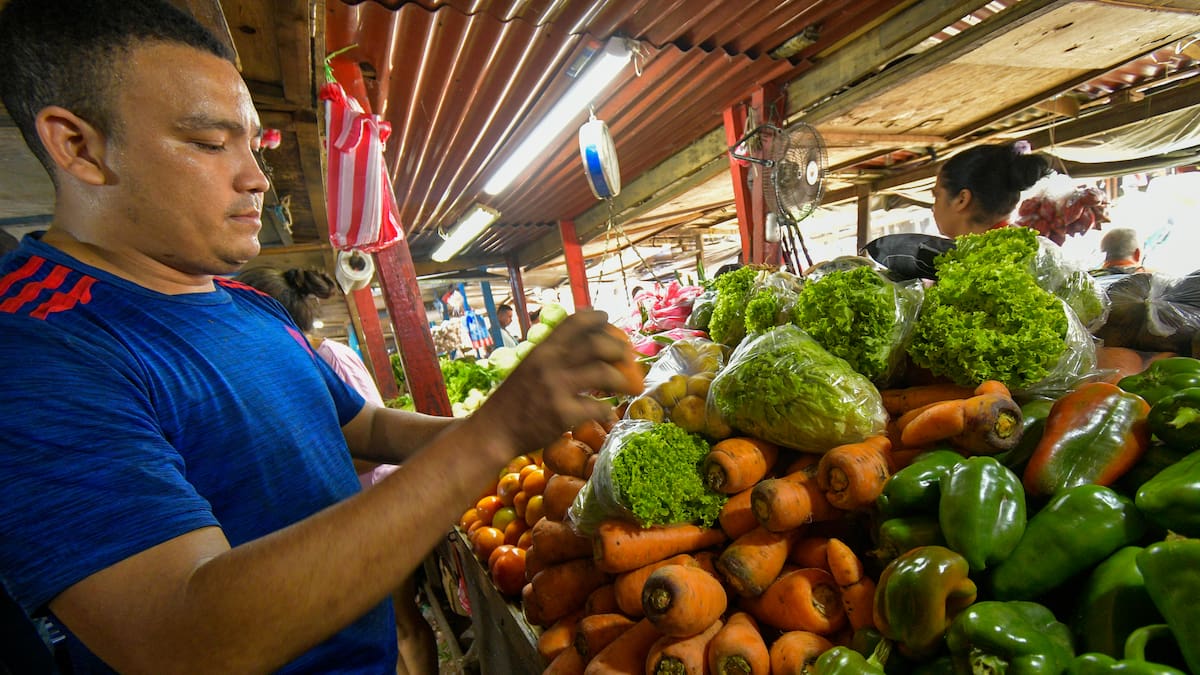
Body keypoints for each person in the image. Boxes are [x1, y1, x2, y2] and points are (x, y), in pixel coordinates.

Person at [0, 1, 630, 673]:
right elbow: (180, 637)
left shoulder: (249, 306)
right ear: (79, 146)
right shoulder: (38, 347)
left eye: (253, 144)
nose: (255, 178)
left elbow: (367, 427)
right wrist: (492, 435)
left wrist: (517, 422)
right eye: (209, 143)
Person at [236, 265, 440, 675]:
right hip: (343, 520)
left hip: (377, 509)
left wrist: (304, 461)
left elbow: (373, 440)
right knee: (377, 628)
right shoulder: (273, 371)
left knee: (399, 622)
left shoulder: (331, 359)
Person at [931, 141, 1053, 238]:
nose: (933, 208)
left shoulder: (980, 258)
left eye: (937, 196)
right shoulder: (1026, 250)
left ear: (962, 200)